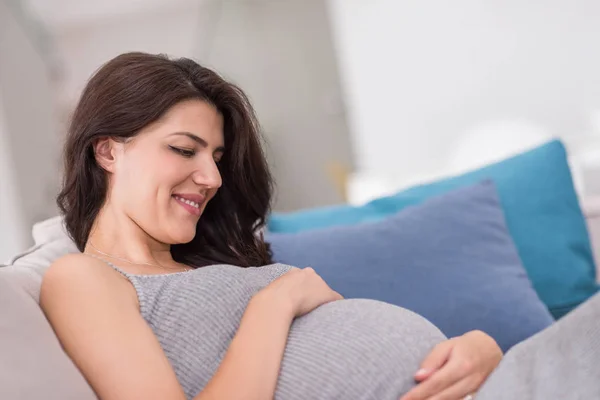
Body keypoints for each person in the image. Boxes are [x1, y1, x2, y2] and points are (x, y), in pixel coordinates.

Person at [40, 52, 600, 400]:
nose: (210, 176)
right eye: (184, 149)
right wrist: (274, 304)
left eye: (215, 156)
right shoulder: (81, 279)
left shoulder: (204, 262)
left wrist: (483, 349)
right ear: (108, 151)